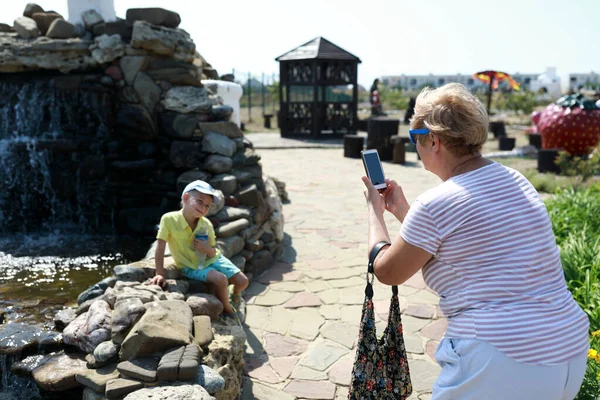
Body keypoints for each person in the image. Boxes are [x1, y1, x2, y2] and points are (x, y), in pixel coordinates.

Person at [361, 83, 589, 400]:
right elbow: (458, 242)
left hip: (502, 357)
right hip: (567, 346)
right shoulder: (515, 181)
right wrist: (401, 210)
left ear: (435, 141)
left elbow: (387, 271)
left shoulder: (436, 203)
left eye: (416, 138)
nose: (416, 147)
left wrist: (375, 213)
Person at [149, 180, 248, 317]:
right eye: (200, 201)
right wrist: (159, 273)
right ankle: (228, 309)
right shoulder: (169, 220)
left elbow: (213, 249)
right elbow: (160, 247)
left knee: (243, 282)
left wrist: (207, 249)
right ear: (185, 198)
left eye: (207, 206)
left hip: (213, 258)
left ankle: (235, 294)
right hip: (192, 266)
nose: (203, 208)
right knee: (221, 279)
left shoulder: (205, 224)